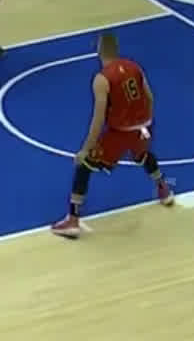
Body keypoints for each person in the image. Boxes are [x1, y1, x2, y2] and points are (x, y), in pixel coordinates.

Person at [49, 32, 175, 238]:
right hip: (144, 127)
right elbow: (150, 97)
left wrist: (85, 149)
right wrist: (146, 123)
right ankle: (164, 190)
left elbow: (98, 119)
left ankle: (72, 221)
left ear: (98, 50)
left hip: (120, 133)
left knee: (84, 165)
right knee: (143, 155)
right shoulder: (134, 66)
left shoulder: (102, 79)